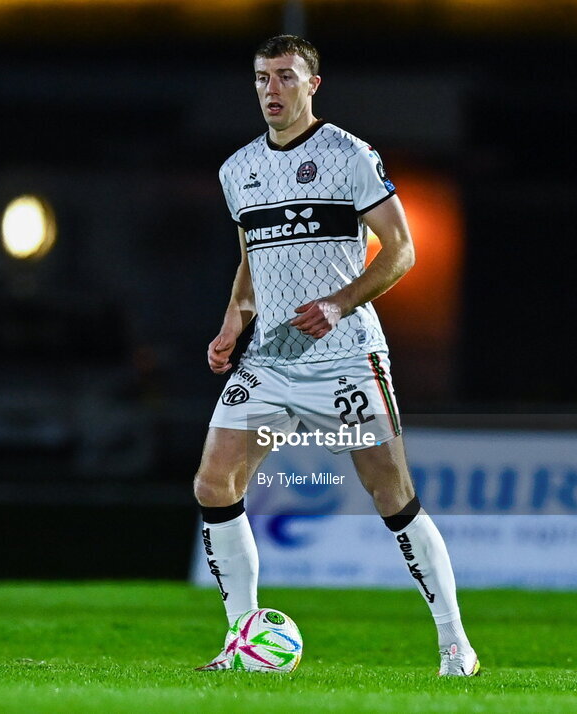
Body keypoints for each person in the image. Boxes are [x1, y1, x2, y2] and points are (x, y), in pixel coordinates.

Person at [194, 35, 479, 677]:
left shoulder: (349, 155)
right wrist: (231, 323)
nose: (272, 90)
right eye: (262, 78)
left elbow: (401, 249)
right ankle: (243, 638)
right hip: (271, 358)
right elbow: (251, 262)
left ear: (312, 84)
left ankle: (454, 643)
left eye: (286, 77)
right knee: (214, 482)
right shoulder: (237, 170)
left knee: (393, 496)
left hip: (345, 357)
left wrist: (340, 302)